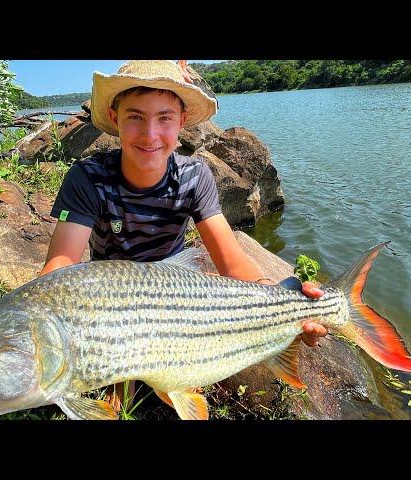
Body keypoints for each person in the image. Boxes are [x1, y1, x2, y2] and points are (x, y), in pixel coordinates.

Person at [39, 60, 327, 412]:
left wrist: (281, 301)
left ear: (183, 122)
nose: (150, 134)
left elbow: (229, 257)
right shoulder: (87, 176)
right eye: (135, 117)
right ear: (114, 118)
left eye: (164, 118)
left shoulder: (195, 175)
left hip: (177, 286)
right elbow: (61, 264)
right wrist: (40, 319)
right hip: (111, 299)